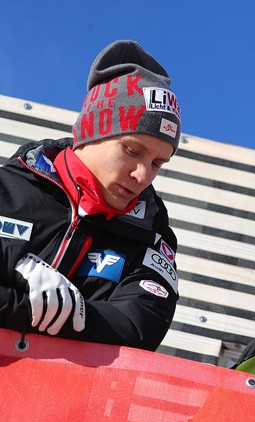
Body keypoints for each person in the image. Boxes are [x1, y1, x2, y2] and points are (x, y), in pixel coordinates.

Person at [0, 40, 181, 351]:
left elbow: (136, 329)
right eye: (132, 151)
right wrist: (18, 266)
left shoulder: (152, 237)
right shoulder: (6, 188)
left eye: (157, 163)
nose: (143, 176)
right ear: (90, 134)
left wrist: (53, 305)